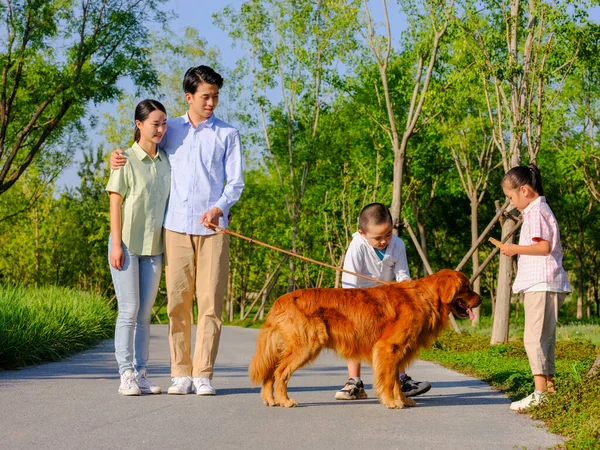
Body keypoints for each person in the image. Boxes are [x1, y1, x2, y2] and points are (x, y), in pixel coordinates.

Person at [111, 65, 244, 396]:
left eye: (215, 96)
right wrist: (117, 156)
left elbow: (236, 181)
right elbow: (142, 143)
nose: (211, 102)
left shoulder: (228, 134)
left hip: (213, 229)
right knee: (178, 303)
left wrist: (219, 207)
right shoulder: (170, 129)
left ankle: (203, 374)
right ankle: (181, 373)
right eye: (205, 96)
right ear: (189, 97)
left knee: (210, 303)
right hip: (174, 228)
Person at [335, 202, 432, 401]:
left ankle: (402, 379)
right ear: (362, 233)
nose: (383, 241)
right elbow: (349, 285)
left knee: (397, 336)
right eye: (377, 238)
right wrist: (356, 310)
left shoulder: (398, 244)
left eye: (387, 234)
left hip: (389, 300)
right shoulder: (357, 247)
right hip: (360, 301)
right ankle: (354, 381)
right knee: (356, 335)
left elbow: (403, 276)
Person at [107, 99, 171, 396]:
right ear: (139, 124)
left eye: (163, 123)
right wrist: (116, 243)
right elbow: (115, 202)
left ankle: (142, 372)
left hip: (154, 248)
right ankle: (126, 374)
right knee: (129, 310)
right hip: (127, 245)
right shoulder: (125, 159)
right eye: (154, 123)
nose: (160, 129)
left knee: (145, 314)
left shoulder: (166, 161)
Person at [500, 164, 571, 412]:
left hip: (541, 283)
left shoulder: (536, 211)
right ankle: (549, 390)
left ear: (525, 190)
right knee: (544, 339)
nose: (510, 203)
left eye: (511, 197)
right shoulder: (537, 210)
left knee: (533, 339)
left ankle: (540, 393)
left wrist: (514, 249)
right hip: (546, 282)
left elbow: (544, 247)